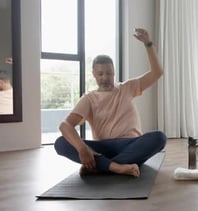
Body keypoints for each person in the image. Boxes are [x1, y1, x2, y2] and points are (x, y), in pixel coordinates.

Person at [54, 28, 166, 177]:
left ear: (114, 73)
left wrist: (148, 44)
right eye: (100, 74)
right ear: (94, 74)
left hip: (130, 144)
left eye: (109, 73)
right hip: (102, 147)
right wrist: (82, 149)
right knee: (61, 143)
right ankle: (117, 167)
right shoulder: (88, 98)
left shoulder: (127, 88)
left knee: (159, 137)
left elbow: (157, 73)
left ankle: (101, 166)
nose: (105, 77)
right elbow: (65, 125)